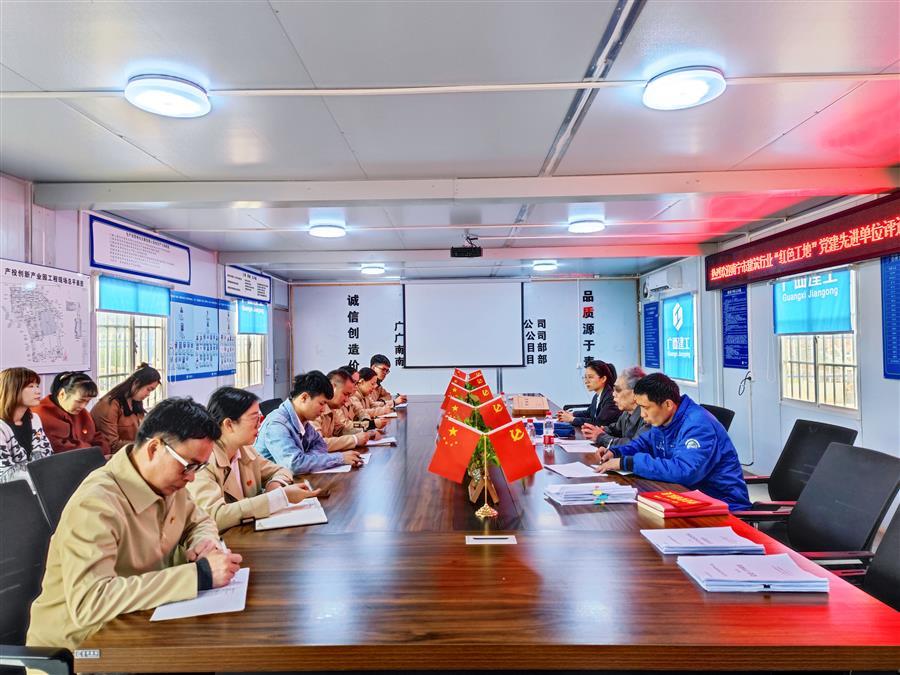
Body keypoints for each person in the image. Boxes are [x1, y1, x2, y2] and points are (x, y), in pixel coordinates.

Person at [27, 397, 243, 650]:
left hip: (140, 624)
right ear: (154, 449)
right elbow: (90, 602)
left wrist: (203, 542)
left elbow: (199, 520)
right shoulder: (96, 504)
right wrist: (199, 576)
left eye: (199, 467)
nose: (192, 477)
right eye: (189, 466)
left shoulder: (168, 484)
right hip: (82, 648)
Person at [594, 373, 751, 510]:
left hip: (723, 506)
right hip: (686, 497)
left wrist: (627, 463)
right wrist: (616, 452)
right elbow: (643, 443)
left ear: (668, 404)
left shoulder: (698, 425)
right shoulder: (664, 420)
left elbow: (684, 471)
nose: (642, 414)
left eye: (645, 408)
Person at [188, 387, 320, 532]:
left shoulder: (245, 450)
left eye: (260, 418)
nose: (260, 424)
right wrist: (279, 498)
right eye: (254, 418)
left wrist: (275, 484)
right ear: (229, 424)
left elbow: (280, 470)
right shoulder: (203, 462)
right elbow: (215, 516)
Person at [256, 371, 363, 475]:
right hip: (272, 484)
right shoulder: (277, 424)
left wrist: (307, 459)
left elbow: (320, 445)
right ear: (304, 397)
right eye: (321, 403)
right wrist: (340, 458)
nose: (323, 409)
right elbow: (294, 464)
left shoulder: (302, 420)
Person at [91, 363, 161, 454]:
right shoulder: (109, 405)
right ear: (136, 383)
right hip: (113, 456)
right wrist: (144, 445)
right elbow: (112, 445)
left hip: (131, 452)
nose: (148, 394)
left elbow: (142, 433)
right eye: (148, 389)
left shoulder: (135, 401)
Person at [0, 367, 53, 483]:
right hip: (11, 490)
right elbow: (4, 475)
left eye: (37, 386)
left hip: (40, 485)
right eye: (31, 386)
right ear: (13, 389)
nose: (38, 391)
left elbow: (47, 455)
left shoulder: (34, 419)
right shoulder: (2, 427)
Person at [33, 371, 103, 453]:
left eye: (87, 401)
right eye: (79, 401)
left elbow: (96, 437)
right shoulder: (40, 413)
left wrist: (100, 451)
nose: (83, 406)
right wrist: (95, 452)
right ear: (62, 394)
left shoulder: (82, 413)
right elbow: (59, 447)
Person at [582, 366, 650, 448]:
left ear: (635, 393)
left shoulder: (648, 417)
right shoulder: (626, 413)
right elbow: (615, 429)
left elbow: (635, 445)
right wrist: (597, 430)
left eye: (618, 390)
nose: (613, 394)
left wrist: (601, 437)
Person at [312, 370, 378, 452]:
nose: (346, 400)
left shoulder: (332, 408)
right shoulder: (315, 409)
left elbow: (341, 429)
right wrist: (355, 439)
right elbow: (318, 444)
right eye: (345, 394)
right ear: (332, 387)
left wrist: (365, 432)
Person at [556, 360, 619, 428]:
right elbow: (588, 413)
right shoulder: (597, 396)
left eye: (590, 377)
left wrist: (572, 419)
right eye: (585, 377)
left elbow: (599, 423)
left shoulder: (611, 398)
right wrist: (571, 414)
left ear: (603, 379)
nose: (586, 381)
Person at [339, 365, 386, 431]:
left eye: (357, 383)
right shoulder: (335, 404)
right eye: (354, 383)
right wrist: (370, 424)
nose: (356, 386)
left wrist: (368, 423)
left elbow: (362, 412)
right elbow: (344, 427)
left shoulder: (351, 398)